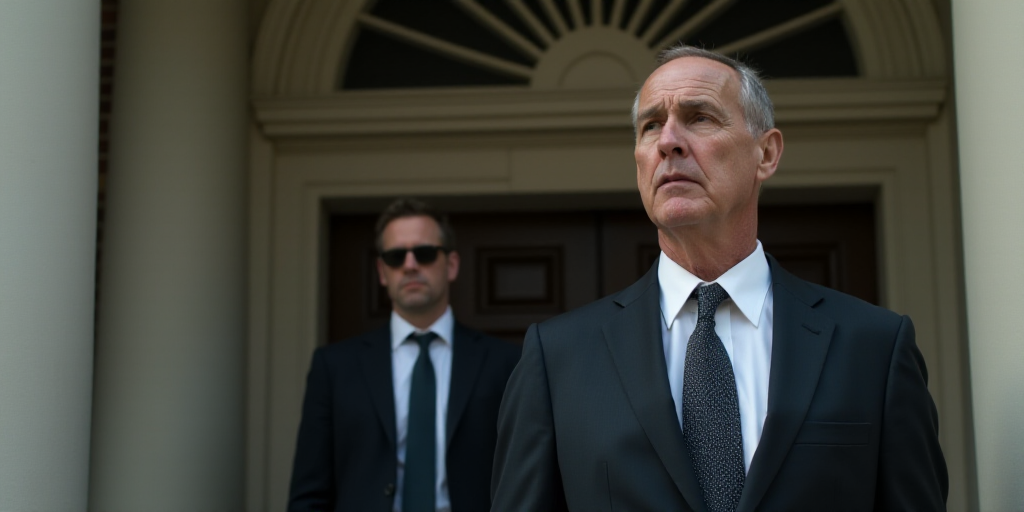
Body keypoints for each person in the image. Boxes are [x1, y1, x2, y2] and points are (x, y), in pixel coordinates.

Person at [490, 45, 947, 512]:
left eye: (700, 118)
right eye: (651, 126)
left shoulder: (874, 347)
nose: (669, 141)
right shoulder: (559, 358)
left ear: (766, 153)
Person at [289, 198, 521, 512]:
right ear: (382, 271)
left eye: (424, 253)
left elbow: (524, 481)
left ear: (451, 264)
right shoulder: (334, 367)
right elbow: (309, 494)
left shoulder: (505, 363)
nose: (410, 265)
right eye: (396, 256)